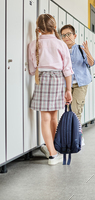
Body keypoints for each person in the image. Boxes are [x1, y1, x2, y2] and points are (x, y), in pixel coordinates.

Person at [28, 14, 73, 165]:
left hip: (42, 80)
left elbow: (32, 69)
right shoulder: (61, 44)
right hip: (58, 80)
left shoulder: (34, 44)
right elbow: (67, 69)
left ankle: (52, 152)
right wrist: (68, 90)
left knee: (45, 119)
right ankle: (54, 150)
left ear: (39, 29)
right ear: (55, 28)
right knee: (54, 117)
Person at [60, 25, 95, 125]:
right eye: (63, 35)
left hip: (81, 84)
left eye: (68, 34)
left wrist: (87, 52)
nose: (66, 37)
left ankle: (77, 136)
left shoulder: (81, 49)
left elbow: (91, 63)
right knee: (69, 110)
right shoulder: (62, 51)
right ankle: (73, 134)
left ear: (74, 36)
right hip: (67, 84)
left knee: (76, 110)